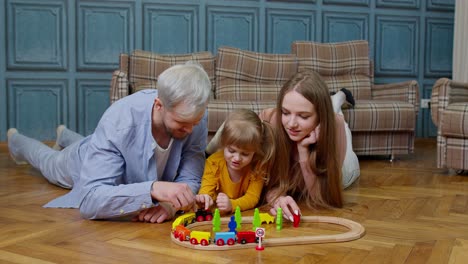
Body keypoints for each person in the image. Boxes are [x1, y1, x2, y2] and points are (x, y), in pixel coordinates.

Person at [7, 62, 212, 223]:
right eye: (181, 123)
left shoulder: (195, 117)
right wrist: (151, 189)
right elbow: (90, 200)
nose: (191, 130)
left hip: (105, 147)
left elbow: (191, 179)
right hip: (83, 159)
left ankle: (65, 135)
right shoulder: (119, 121)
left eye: (195, 122)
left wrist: (170, 206)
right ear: (159, 105)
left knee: (96, 144)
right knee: (49, 162)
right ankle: (16, 141)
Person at [259, 70, 360, 222]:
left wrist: (303, 151)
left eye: (303, 116)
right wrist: (276, 198)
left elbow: (323, 200)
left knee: (341, 124)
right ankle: (335, 100)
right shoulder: (270, 119)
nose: (291, 124)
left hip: (344, 171)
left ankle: (339, 98)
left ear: (320, 117)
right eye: (285, 112)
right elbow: (261, 183)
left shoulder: (334, 125)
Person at [196, 109, 275, 214]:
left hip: (244, 214)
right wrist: (205, 198)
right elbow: (206, 189)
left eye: (245, 154)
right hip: (218, 216)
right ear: (224, 144)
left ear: (255, 150)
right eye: (231, 151)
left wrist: (231, 205)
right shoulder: (213, 162)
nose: (237, 158)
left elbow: (252, 198)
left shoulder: (258, 166)